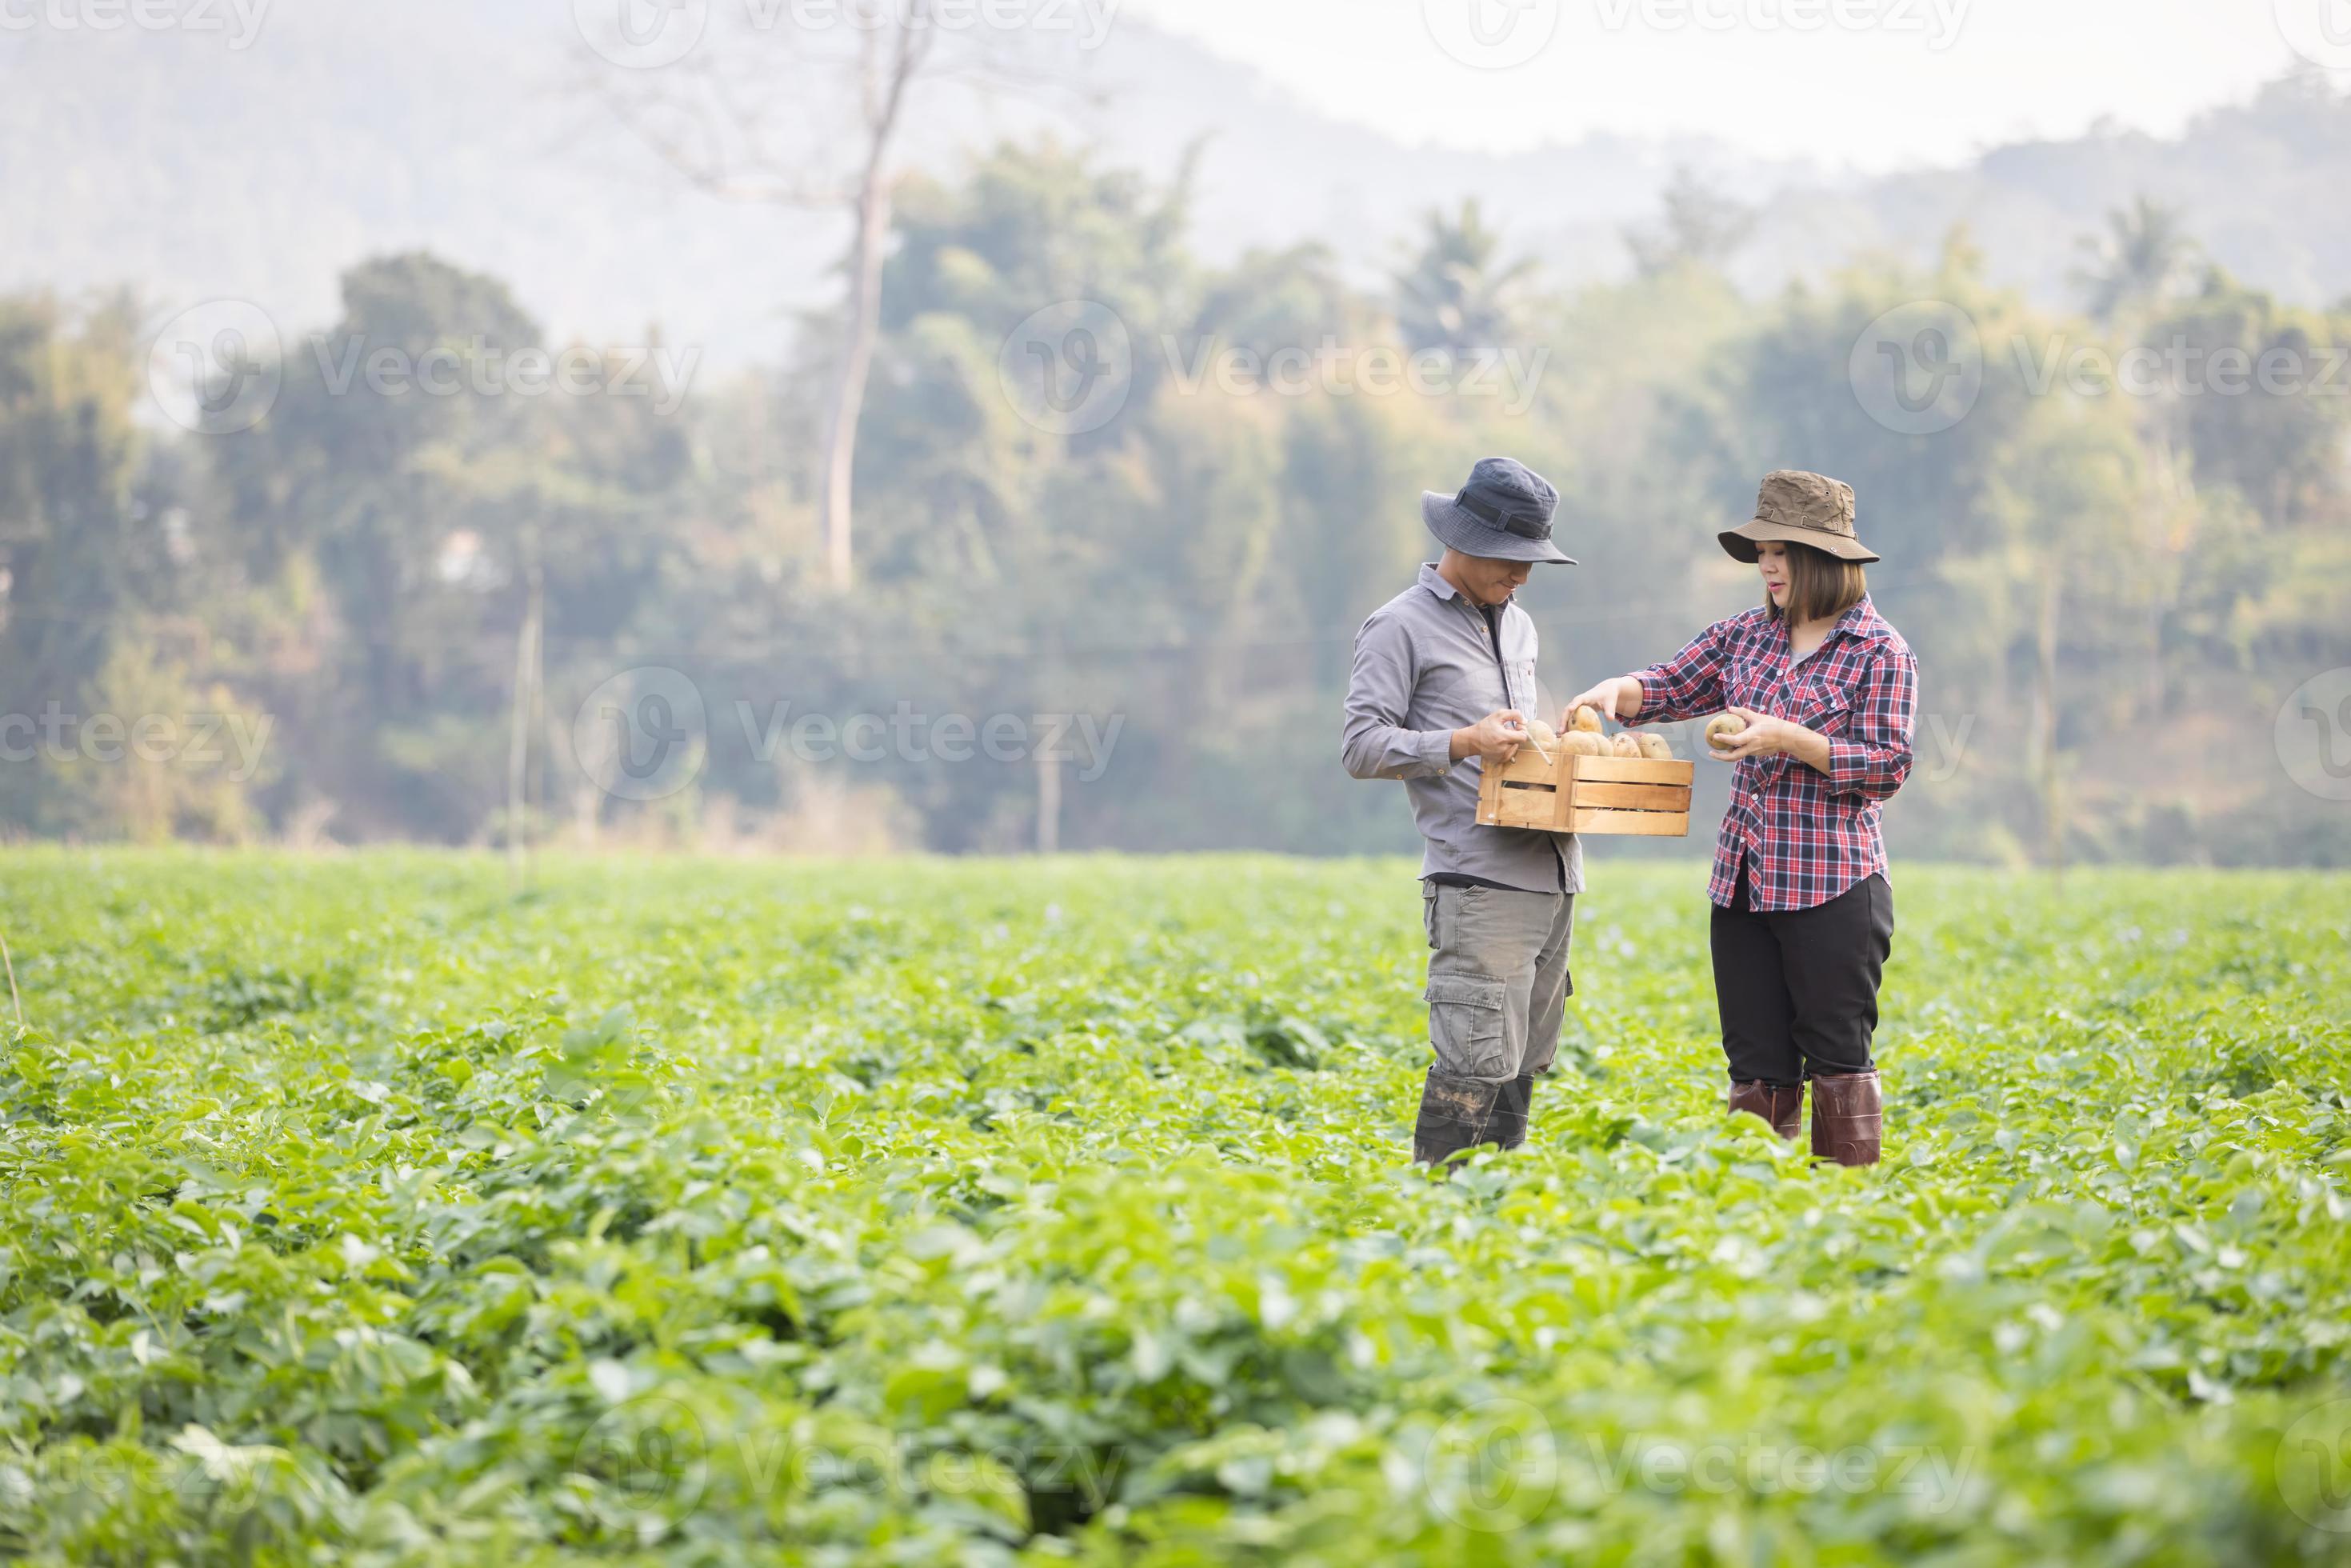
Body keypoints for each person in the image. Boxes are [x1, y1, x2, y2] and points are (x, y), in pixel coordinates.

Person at [1564, 470, 1917, 1166]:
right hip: (1745, 883)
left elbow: (1887, 765)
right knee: (1754, 1063)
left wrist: (1786, 737)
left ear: (1824, 557)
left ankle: (1847, 1211)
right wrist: (1618, 691)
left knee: (1837, 1057)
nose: (1766, 565)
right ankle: (1755, 1210)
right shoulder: (1743, 638)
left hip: (1834, 887)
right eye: (1762, 552)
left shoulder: (1879, 652)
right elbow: (1671, 682)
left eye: (1781, 551)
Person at [1342, 456, 1581, 1169]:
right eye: (1511, 559)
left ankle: (1491, 1222)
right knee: (1470, 1068)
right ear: (1466, 541)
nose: (1524, 575)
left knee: (1519, 1070)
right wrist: (1462, 742)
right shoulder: (1398, 627)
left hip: (1552, 876)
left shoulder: (1521, 627)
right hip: (1476, 883)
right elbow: (1360, 747)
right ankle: (1440, 1220)